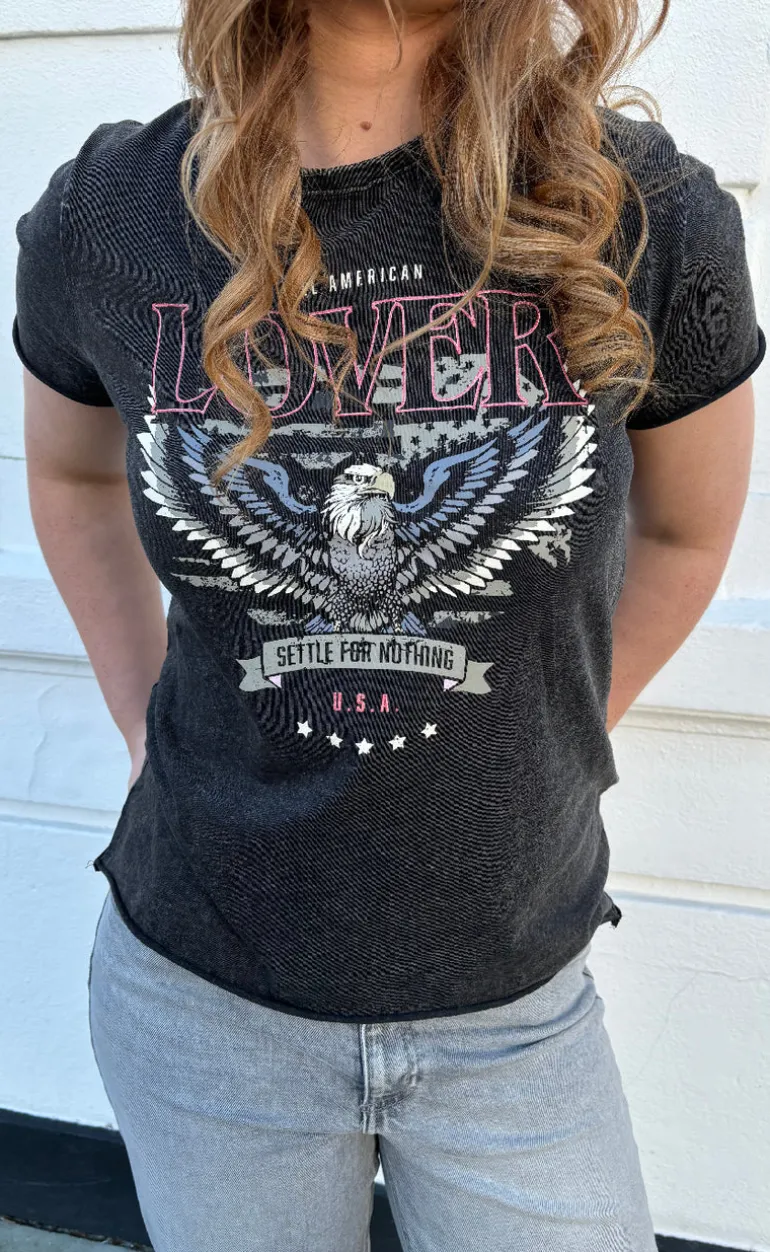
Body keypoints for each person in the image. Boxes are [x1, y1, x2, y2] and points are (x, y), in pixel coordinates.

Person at [12, 1, 764, 1249]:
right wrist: (140, 719)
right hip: (202, 1004)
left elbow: (684, 532)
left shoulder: (643, 214)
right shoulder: (108, 218)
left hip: (512, 1014)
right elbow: (70, 470)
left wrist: (549, 736)